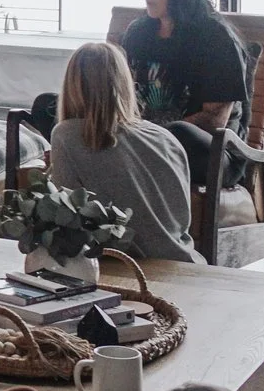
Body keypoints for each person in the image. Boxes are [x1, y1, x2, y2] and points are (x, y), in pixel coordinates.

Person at [46, 41, 200, 264]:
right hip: (184, 263)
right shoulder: (165, 137)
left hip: (128, 267)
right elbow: (181, 220)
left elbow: (65, 223)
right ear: (125, 82)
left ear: (72, 85)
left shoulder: (66, 134)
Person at [119, 0, 251, 181]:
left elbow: (214, 120)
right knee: (56, 110)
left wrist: (149, 137)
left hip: (210, 153)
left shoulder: (216, 39)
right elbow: (118, 94)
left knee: (180, 133)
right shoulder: (138, 33)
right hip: (141, 143)